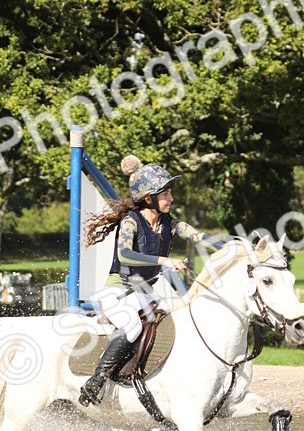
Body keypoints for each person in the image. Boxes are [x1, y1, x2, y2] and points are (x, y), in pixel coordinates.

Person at [78, 155, 217, 406]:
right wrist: (164, 261)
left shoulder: (167, 223)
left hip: (145, 293)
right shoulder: (131, 222)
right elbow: (124, 254)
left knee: (176, 319)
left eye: (170, 193)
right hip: (119, 290)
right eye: (165, 194)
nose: (171, 198)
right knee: (131, 326)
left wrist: (224, 245)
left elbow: (193, 234)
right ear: (149, 197)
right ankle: (96, 380)